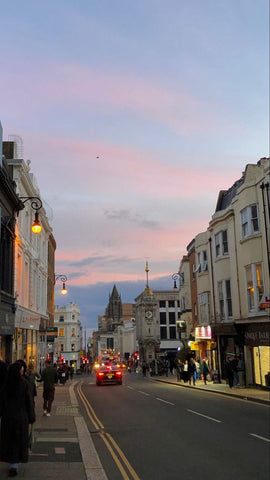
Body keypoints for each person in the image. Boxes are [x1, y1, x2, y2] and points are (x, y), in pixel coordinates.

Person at [0, 361, 36, 477]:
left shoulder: (6, 384)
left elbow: (1, 402)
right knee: (18, 441)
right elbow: (29, 402)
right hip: (21, 418)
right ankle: (14, 465)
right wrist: (31, 417)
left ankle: (12, 463)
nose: (22, 371)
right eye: (21, 369)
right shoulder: (24, 384)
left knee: (9, 440)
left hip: (8, 417)